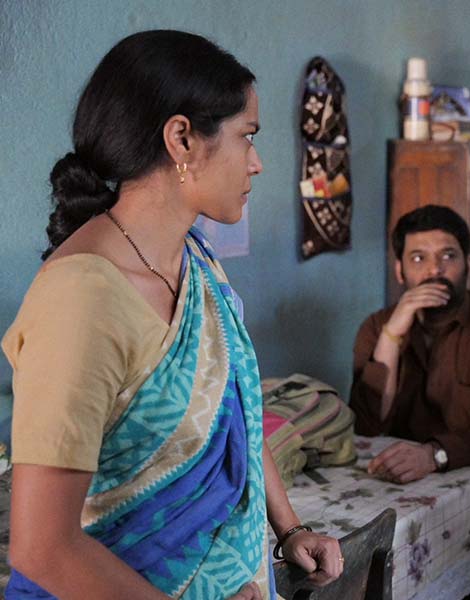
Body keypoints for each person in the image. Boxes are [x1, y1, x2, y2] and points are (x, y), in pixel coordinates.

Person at [2, 30, 342, 600]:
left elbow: (235, 410)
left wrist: (289, 528)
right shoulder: (82, 297)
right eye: (246, 136)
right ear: (182, 138)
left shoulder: (195, 263)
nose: (256, 163)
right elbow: (42, 547)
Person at [349, 205, 470, 485]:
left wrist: (434, 455)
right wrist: (391, 336)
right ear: (399, 271)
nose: (434, 269)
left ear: (469, 264)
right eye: (418, 258)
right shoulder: (377, 326)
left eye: (448, 256)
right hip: (399, 474)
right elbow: (364, 427)